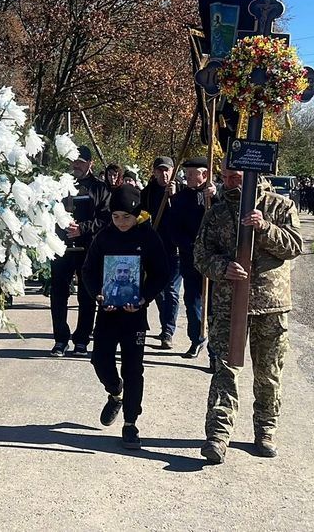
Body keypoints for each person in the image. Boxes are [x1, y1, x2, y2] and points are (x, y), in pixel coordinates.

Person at [195, 166, 303, 463]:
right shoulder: (216, 213)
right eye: (227, 176)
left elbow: (294, 246)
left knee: (268, 374)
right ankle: (218, 435)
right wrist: (221, 268)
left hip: (271, 305)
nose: (230, 182)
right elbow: (200, 255)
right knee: (224, 371)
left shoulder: (281, 206)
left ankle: (265, 431)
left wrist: (265, 227)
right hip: (229, 304)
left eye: (237, 177)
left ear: (254, 175)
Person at [82, 184, 169, 450]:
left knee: (134, 370)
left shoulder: (149, 237)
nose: (121, 222)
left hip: (135, 316)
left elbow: (162, 273)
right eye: (117, 216)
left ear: (137, 214)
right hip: (107, 314)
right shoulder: (103, 237)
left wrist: (145, 298)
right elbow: (88, 271)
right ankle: (114, 391)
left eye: (127, 217)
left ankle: (131, 423)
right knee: (99, 360)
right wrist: (98, 294)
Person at [49, 145, 111, 357]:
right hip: (61, 248)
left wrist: (82, 229)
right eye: (74, 161)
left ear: (90, 163)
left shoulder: (100, 188)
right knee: (58, 295)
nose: (76, 165)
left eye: (81, 162)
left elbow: (105, 218)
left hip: (88, 249)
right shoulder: (58, 185)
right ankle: (60, 339)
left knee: (87, 296)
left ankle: (82, 339)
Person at [167, 157, 216, 359]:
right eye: (186, 174)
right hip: (191, 258)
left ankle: (215, 349)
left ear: (204, 174)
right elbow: (173, 229)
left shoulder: (215, 196)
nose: (187, 177)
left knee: (213, 305)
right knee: (192, 301)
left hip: (214, 260)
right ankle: (196, 339)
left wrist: (216, 195)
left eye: (192, 174)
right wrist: (189, 245)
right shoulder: (180, 199)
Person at [140, 156, 180, 349]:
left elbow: (186, 215)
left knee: (171, 290)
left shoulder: (180, 191)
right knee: (158, 292)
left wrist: (174, 197)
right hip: (155, 249)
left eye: (167, 170)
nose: (164, 174)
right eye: (160, 170)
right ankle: (166, 325)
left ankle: (168, 331)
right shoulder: (147, 193)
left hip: (175, 250)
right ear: (154, 172)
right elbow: (140, 217)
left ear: (172, 171)